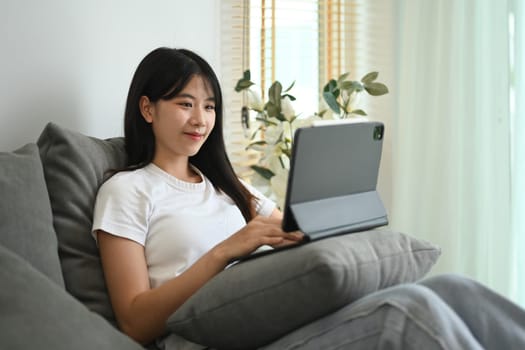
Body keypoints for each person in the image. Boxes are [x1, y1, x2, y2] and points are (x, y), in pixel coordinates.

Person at [92, 47, 525, 350]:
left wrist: (328, 217)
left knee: (453, 288)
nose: (200, 119)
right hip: (215, 340)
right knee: (407, 310)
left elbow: (290, 231)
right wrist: (226, 251)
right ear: (148, 109)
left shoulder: (226, 185)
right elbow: (134, 321)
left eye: (209, 107)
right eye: (185, 104)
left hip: (278, 319)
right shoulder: (127, 191)